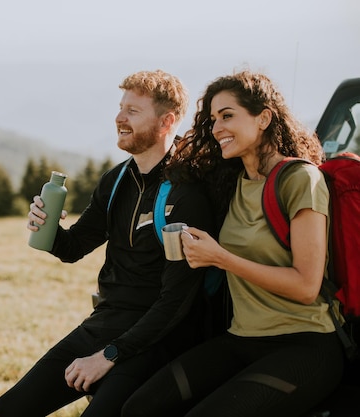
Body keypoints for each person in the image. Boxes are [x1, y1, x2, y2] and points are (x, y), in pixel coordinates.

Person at [0, 70, 216, 417]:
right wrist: (48, 229)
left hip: (159, 337)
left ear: (166, 121)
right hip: (106, 321)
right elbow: (74, 247)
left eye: (133, 111)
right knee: (9, 410)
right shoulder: (116, 180)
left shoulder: (187, 191)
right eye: (121, 107)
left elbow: (174, 303)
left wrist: (109, 355)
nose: (119, 118)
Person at [121, 70, 346, 417]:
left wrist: (222, 258)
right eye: (212, 119)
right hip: (242, 339)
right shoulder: (235, 182)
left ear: (264, 118)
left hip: (304, 344)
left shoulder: (301, 179)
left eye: (228, 116)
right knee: (139, 407)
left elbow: (305, 285)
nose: (217, 128)